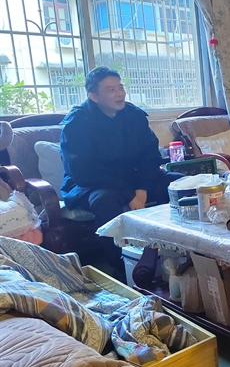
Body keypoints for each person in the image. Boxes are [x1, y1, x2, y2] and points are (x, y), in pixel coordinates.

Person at [60, 66, 181, 279]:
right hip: (94, 184)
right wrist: (129, 194)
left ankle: (181, 253)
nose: (119, 94)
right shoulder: (76, 124)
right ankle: (122, 268)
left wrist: (141, 189)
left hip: (136, 179)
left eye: (120, 87)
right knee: (104, 200)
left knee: (181, 185)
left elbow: (150, 156)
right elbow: (85, 171)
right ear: (94, 96)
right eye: (111, 90)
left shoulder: (134, 115)